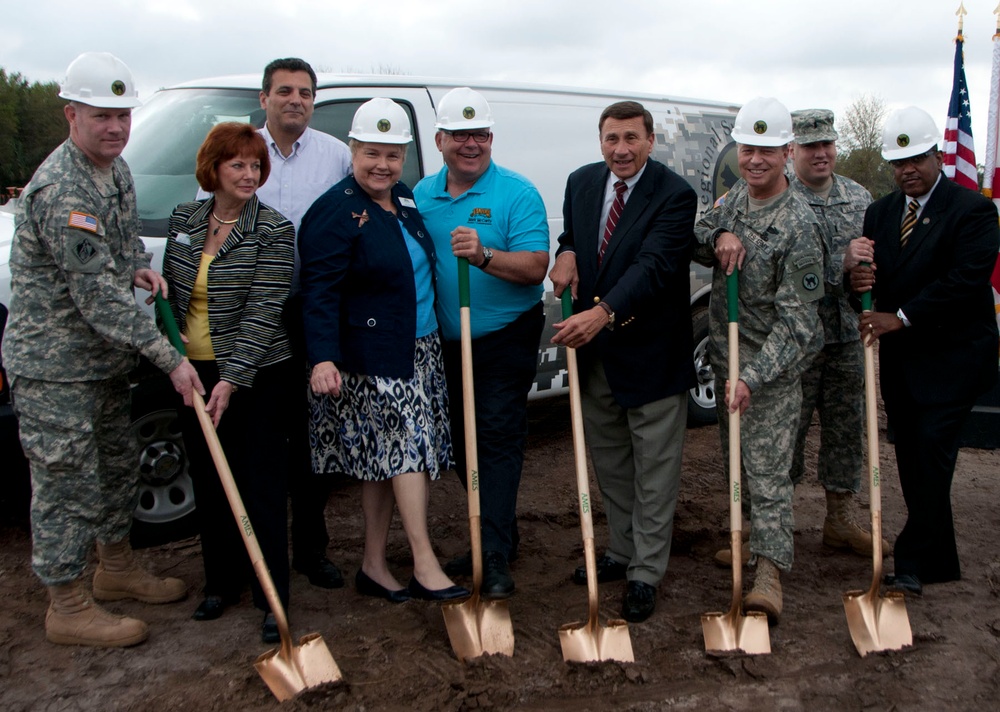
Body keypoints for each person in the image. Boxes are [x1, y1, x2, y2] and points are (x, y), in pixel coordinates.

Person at [2, 52, 203, 648]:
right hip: (54, 368)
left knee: (116, 466)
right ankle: (65, 604)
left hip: (103, 363)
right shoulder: (62, 189)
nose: (116, 128)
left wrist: (142, 267)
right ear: (71, 115)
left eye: (123, 115)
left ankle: (116, 570)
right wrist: (171, 359)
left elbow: (122, 247)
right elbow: (98, 300)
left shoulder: (113, 172)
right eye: (101, 116)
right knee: (65, 482)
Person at [299, 99, 466, 604]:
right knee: (408, 451)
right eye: (372, 153)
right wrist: (323, 356)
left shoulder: (405, 199)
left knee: (383, 461)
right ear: (352, 150)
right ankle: (423, 562)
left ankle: (373, 564)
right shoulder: (334, 210)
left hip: (419, 348)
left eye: (393, 156)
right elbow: (319, 290)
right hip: (373, 355)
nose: (383, 165)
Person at [199, 58, 351, 589]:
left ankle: (312, 548)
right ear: (263, 99)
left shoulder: (336, 157)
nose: (296, 100)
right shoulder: (238, 154)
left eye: (306, 92)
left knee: (312, 436)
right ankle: (246, 560)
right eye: (284, 91)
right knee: (254, 439)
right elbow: (208, 230)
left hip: (310, 309)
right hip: (246, 317)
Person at [548, 101, 697, 623]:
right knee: (611, 462)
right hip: (598, 360)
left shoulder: (674, 194)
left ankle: (646, 571)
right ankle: (621, 548)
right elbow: (576, 239)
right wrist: (565, 252)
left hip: (651, 352)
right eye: (611, 139)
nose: (621, 150)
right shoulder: (581, 183)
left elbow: (654, 266)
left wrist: (604, 312)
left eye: (632, 138)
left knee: (654, 470)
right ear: (600, 141)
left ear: (651, 141)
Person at [715, 109, 881, 568]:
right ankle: (763, 529)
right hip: (788, 347)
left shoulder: (857, 197)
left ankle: (840, 517)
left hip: (842, 332)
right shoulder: (749, 198)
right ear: (796, 152)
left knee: (846, 431)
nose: (820, 153)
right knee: (780, 446)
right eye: (810, 147)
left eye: (826, 144)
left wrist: (863, 275)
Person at [846, 106, 999, 597]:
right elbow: (872, 284)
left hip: (954, 359)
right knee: (913, 460)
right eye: (897, 161)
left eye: (915, 158)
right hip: (904, 364)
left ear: (937, 156)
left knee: (930, 455)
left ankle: (912, 560)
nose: (906, 169)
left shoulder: (972, 210)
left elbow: (963, 283)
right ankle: (939, 560)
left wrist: (901, 316)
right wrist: (858, 283)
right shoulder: (882, 211)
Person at [692, 97, 825, 625]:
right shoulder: (735, 202)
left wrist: (753, 376)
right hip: (727, 360)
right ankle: (744, 541)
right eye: (749, 149)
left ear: (787, 153)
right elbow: (700, 233)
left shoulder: (799, 225)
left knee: (769, 473)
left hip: (769, 370)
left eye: (768, 151)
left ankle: (769, 570)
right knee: (736, 465)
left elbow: (799, 324)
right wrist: (719, 234)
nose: (756, 160)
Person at [413, 87, 549, 599]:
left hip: (503, 336)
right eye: (461, 136)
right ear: (440, 139)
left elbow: (535, 267)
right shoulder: (422, 194)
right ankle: (497, 530)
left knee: (495, 437)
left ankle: (492, 555)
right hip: (445, 341)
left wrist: (486, 256)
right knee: (460, 443)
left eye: (481, 135)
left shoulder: (516, 193)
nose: (472, 144)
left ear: (491, 138)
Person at [164, 122, 295, 643]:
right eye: (237, 164)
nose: (249, 174)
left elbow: (265, 309)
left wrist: (233, 380)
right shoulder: (184, 220)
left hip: (256, 374)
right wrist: (178, 363)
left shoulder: (273, 229)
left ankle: (272, 595)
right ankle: (220, 583)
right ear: (213, 168)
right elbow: (173, 299)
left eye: (256, 165)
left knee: (260, 484)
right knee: (209, 481)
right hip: (192, 373)